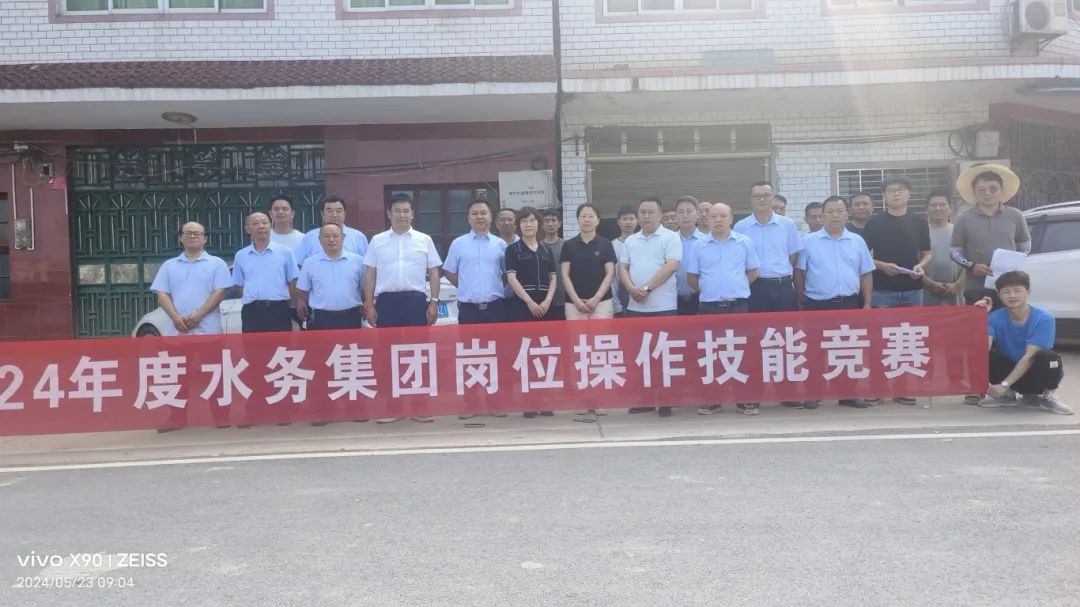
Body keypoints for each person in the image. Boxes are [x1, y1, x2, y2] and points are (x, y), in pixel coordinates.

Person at [363, 193, 442, 424]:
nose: (402, 215)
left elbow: (434, 272)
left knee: (418, 354)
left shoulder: (424, 240)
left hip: (415, 301)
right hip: (387, 302)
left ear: (413, 214)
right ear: (389, 214)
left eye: (406, 211)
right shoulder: (377, 241)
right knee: (387, 356)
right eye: (397, 211)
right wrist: (369, 303)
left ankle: (420, 406)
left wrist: (433, 302)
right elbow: (370, 273)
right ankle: (393, 407)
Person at [149, 221, 232, 431]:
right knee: (177, 376)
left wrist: (199, 315)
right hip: (177, 331)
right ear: (180, 238)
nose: (193, 236)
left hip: (208, 330)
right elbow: (162, 293)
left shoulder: (216, 264)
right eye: (188, 233)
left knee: (215, 374)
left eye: (197, 233)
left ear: (205, 238)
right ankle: (176, 418)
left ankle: (221, 416)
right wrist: (175, 317)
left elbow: (220, 292)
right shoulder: (169, 265)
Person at [795, 197, 874, 409]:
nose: (835, 215)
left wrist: (867, 302)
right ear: (823, 215)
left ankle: (847, 393)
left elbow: (866, 273)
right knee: (815, 351)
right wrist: (801, 299)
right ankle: (813, 393)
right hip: (817, 304)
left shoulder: (857, 241)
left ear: (847, 213)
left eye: (839, 211)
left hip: (849, 303)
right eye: (830, 212)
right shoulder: (808, 241)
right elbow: (799, 273)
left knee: (847, 348)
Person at [733, 181, 803, 415]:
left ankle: (787, 394)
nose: (762, 199)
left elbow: (793, 257)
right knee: (754, 343)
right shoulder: (741, 227)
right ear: (750, 200)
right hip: (755, 288)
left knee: (786, 341)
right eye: (757, 196)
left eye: (766, 195)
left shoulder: (787, 224)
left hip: (783, 287)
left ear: (773, 198)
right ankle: (754, 395)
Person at [687, 202, 759, 415]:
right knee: (711, 353)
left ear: (731, 219)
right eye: (713, 216)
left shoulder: (744, 242)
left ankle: (743, 399)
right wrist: (711, 290)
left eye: (723, 216)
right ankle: (712, 399)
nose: (718, 220)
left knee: (741, 352)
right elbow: (692, 277)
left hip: (737, 307)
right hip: (710, 308)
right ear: (707, 220)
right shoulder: (698, 245)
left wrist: (736, 287)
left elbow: (753, 272)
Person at [295, 223, 368, 427]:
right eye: (326, 236)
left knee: (351, 363)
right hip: (322, 319)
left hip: (350, 317)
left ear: (343, 238)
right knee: (321, 365)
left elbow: (365, 288)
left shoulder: (357, 261)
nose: (332, 240)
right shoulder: (310, 263)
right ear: (319, 240)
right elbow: (302, 290)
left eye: (336, 236)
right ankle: (323, 410)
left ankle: (355, 408)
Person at [976, 271, 1071, 415]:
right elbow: (984, 348)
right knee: (989, 355)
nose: (1012, 295)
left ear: (1028, 292)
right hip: (1009, 372)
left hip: (1035, 375)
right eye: (1006, 291)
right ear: (999, 294)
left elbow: (1030, 356)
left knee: (1048, 357)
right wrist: (980, 316)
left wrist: (1004, 384)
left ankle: (1046, 395)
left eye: (1017, 290)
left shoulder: (1044, 318)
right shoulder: (994, 317)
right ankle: (1007, 396)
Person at [619, 197, 681, 418]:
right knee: (639, 355)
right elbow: (623, 267)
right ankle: (643, 399)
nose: (646, 216)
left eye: (650, 212)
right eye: (642, 212)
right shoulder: (631, 241)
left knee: (663, 356)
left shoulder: (671, 237)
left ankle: (665, 400)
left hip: (664, 306)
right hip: (636, 307)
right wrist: (631, 289)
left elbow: (671, 266)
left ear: (660, 215)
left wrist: (646, 288)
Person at [950, 164, 1030, 308]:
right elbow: (955, 250)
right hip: (976, 287)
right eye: (981, 190)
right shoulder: (964, 219)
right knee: (979, 322)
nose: (987, 193)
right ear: (974, 192)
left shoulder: (1015, 215)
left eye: (993, 189)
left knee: (1008, 321)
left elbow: (1025, 244)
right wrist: (972, 266)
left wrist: (1014, 263)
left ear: (1001, 190)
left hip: (1008, 287)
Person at [506, 206, 558, 419]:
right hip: (522, 307)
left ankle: (543, 399)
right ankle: (528, 401)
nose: (529, 225)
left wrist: (547, 301)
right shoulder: (513, 250)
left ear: (539, 224)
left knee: (543, 354)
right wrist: (528, 302)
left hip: (545, 307)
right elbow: (511, 278)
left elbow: (553, 278)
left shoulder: (546, 250)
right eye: (524, 221)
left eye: (532, 221)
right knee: (525, 354)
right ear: (519, 226)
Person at [232, 212, 299, 333]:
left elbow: (293, 282)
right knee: (252, 345)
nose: (261, 226)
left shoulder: (285, 252)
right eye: (256, 223)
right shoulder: (241, 255)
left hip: (279, 310)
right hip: (251, 312)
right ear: (247, 229)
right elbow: (239, 285)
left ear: (270, 226)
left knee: (281, 345)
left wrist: (290, 307)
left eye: (265, 223)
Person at [444, 199, 508, 325]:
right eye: (474, 214)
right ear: (468, 219)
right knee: (469, 338)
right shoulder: (458, 244)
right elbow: (449, 271)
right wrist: (465, 285)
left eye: (483, 213)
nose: (479, 217)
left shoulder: (501, 244)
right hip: (468, 308)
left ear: (490, 217)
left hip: (495, 307)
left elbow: (507, 274)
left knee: (497, 338)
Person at [561, 204, 617, 320]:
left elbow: (610, 273)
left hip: (602, 303)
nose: (587, 220)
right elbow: (565, 275)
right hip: (574, 304)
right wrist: (576, 300)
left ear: (598, 220)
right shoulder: (568, 245)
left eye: (591, 216)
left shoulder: (606, 244)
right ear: (578, 220)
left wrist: (596, 299)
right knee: (575, 333)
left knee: (602, 332)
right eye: (583, 216)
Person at [295, 195, 369, 267]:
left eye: (339, 211)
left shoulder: (358, 237)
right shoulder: (309, 237)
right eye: (329, 211)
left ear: (345, 214)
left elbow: (367, 265)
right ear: (322, 214)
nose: (334, 215)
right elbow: (300, 265)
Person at [268, 194, 306, 327]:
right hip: (273, 302)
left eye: (285, 209)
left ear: (292, 214)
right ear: (270, 213)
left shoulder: (303, 239)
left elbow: (306, 271)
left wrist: (301, 298)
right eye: (276, 209)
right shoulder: (264, 239)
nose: (280, 212)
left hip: (299, 302)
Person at [922, 188, 965, 306]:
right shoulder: (920, 233)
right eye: (933, 205)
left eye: (942, 204)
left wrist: (957, 285)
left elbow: (969, 263)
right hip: (927, 295)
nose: (938, 208)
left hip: (957, 294)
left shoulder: (960, 232)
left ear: (950, 208)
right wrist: (930, 284)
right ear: (927, 210)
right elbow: (914, 265)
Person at [674, 196, 704, 316]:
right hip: (672, 299)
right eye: (681, 212)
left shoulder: (706, 241)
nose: (685, 216)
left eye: (689, 211)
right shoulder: (668, 240)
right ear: (676, 216)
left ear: (697, 214)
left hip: (699, 298)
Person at [610, 205, 638, 316]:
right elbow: (611, 277)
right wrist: (615, 302)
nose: (628, 222)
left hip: (640, 295)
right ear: (618, 222)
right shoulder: (611, 246)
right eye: (625, 219)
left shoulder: (644, 244)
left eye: (631, 219)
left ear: (637, 221)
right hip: (619, 299)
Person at [541, 208, 566, 321]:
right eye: (546, 221)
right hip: (542, 301)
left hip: (564, 299)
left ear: (559, 223)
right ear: (542, 225)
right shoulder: (537, 247)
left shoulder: (567, 246)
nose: (550, 224)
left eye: (553, 220)